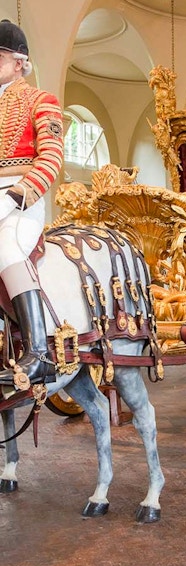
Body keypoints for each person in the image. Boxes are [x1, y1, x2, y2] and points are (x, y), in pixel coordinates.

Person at [0, 20, 63, 388]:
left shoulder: (42, 101)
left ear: (20, 62)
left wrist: (16, 197)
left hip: (22, 198)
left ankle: (38, 351)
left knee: (6, 248)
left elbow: (52, 158)